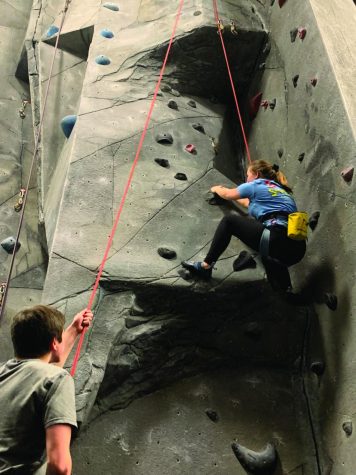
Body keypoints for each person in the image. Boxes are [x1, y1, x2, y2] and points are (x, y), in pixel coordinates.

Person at [182, 160, 306, 291]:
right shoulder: (281, 190)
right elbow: (248, 204)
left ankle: (205, 266)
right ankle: (286, 289)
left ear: (256, 174)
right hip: (297, 249)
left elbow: (228, 194)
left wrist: (217, 189)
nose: (247, 179)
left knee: (229, 221)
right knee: (269, 258)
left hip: (275, 238)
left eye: (248, 175)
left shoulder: (255, 185)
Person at [0, 305, 93, 474]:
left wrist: (73, 330)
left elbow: (40, 372)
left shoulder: (5, 373)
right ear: (53, 342)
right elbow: (59, 465)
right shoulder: (57, 378)